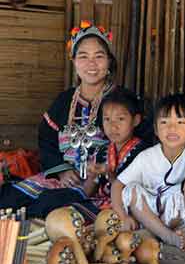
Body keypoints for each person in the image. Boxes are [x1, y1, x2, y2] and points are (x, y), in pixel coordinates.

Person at [0, 21, 117, 219]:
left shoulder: (121, 101)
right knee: (7, 198)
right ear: (74, 62)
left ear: (109, 62)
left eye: (99, 56)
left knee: (50, 205)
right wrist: (62, 172)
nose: (91, 64)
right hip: (64, 179)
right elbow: (47, 139)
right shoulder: (64, 101)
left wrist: (100, 173)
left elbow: (133, 146)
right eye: (83, 56)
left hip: (102, 183)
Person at [111, 93, 185, 249]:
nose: (171, 128)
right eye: (164, 122)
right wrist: (121, 216)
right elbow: (117, 185)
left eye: (180, 122)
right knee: (130, 189)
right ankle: (167, 236)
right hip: (151, 215)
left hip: (181, 214)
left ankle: (182, 232)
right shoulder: (147, 156)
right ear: (156, 129)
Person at [83, 87, 151, 213]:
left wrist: (110, 174)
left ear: (136, 120)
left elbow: (128, 194)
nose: (113, 126)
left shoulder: (144, 153)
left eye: (120, 119)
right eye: (107, 119)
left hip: (128, 209)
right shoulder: (101, 151)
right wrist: (92, 177)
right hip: (101, 204)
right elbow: (87, 193)